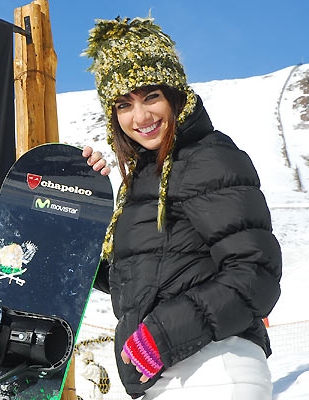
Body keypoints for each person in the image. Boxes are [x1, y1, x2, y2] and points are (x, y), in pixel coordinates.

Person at [82, 17, 282, 399]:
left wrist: (161, 336)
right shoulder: (146, 174)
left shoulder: (207, 157)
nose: (140, 118)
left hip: (215, 365)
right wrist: (79, 198)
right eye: (124, 104)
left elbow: (256, 271)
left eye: (150, 97)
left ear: (174, 95)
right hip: (174, 373)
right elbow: (147, 276)